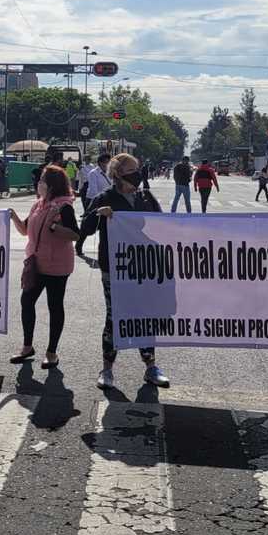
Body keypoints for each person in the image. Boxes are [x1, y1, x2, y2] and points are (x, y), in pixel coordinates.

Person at [79, 153, 170, 390]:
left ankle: (151, 366)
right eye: (131, 170)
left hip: (142, 267)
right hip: (114, 268)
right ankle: (107, 369)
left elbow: (163, 226)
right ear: (118, 173)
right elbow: (85, 229)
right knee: (114, 316)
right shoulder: (104, 198)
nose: (136, 174)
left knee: (145, 316)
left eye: (137, 169)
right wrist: (99, 215)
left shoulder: (145, 197)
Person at [9, 165, 79, 369]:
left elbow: (76, 234)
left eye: (41, 181)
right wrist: (13, 216)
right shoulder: (38, 205)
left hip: (58, 265)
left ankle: (51, 352)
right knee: (26, 301)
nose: (38, 184)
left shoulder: (64, 206)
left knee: (54, 306)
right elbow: (24, 230)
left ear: (51, 186)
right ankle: (27, 346)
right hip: (36, 263)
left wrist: (55, 227)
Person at [75, 153, 112, 255]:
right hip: (94, 201)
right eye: (106, 162)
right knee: (88, 226)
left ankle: (104, 251)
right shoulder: (93, 173)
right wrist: (102, 198)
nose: (108, 164)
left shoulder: (111, 173)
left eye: (109, 162)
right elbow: (93, 190)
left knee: (105, 227)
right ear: (100, 163)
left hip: (107, 201)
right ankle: (79, 244)